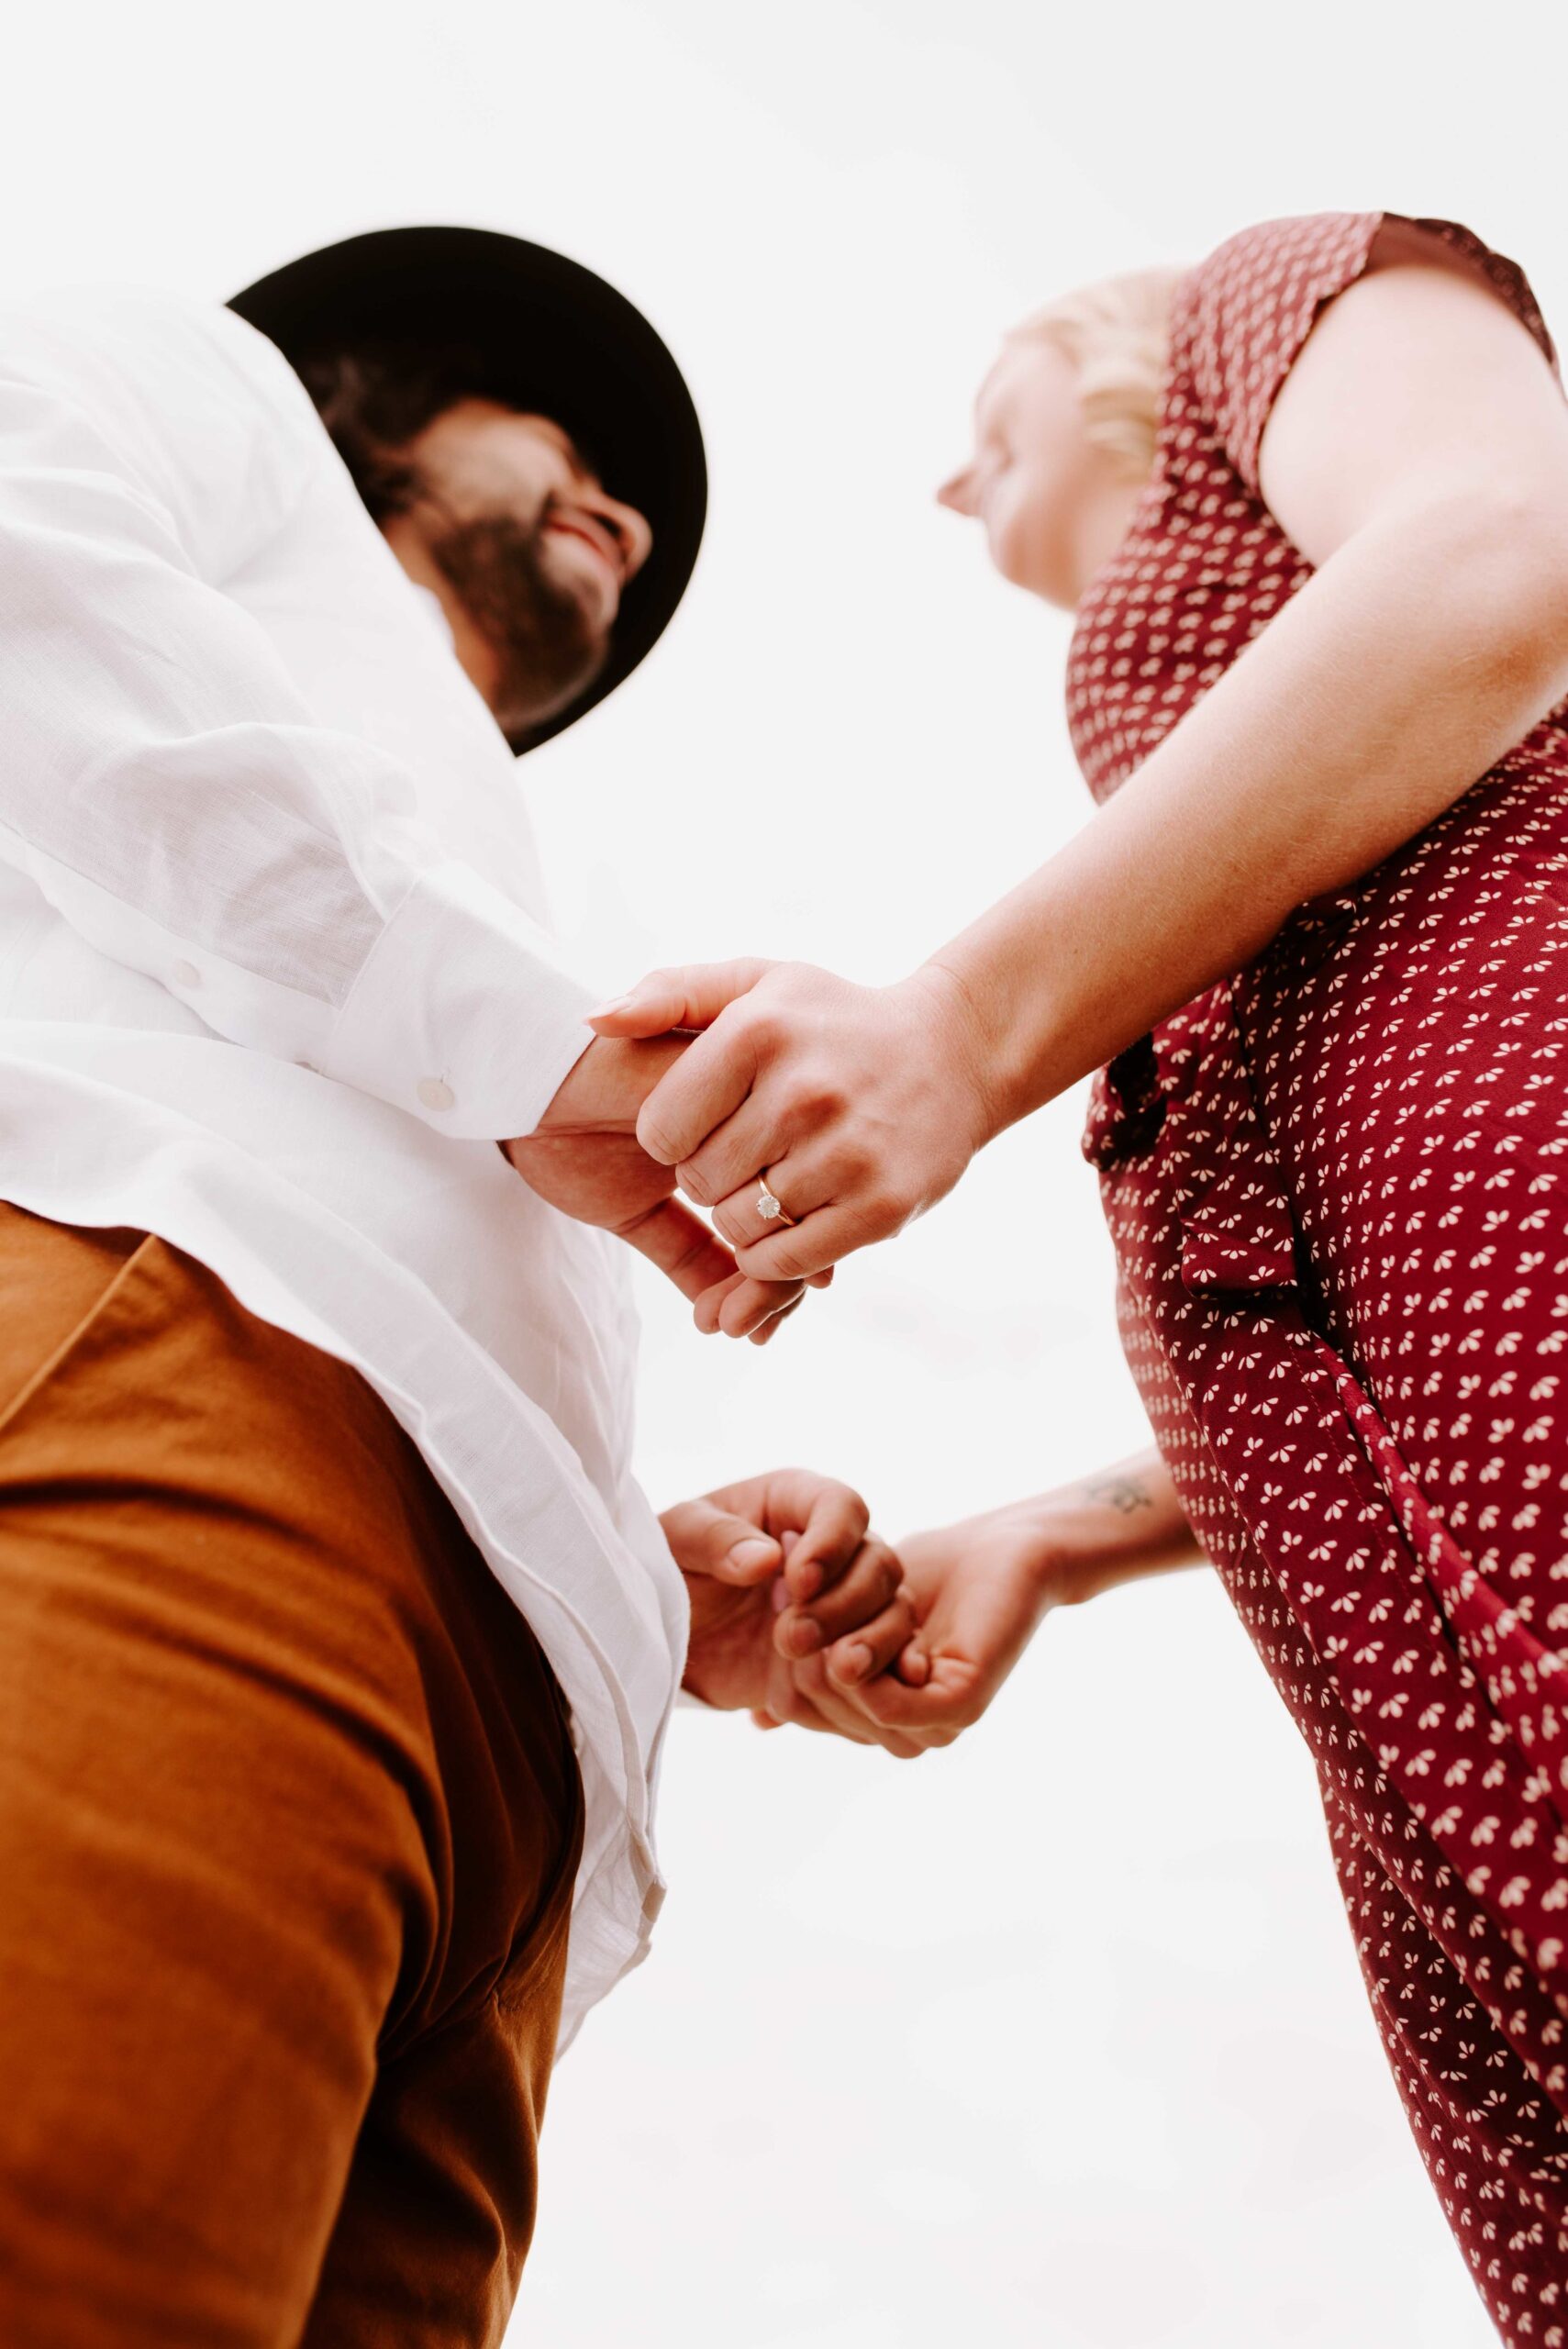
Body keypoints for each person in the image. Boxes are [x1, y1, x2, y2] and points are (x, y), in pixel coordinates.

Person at [594, 213, 1568, 2339]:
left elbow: (1508, 549)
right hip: (1387, 1624)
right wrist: (1074, 1525)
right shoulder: (1232, 789)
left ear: (1123, 355)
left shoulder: (1286, 287)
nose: (956, 486)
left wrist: (959, 1027)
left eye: (984, 417)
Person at [0, 223, 917, 2349]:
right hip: (176, 1348)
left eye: (646, 504)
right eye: (554, 430)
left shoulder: (467, 861)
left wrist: (633, 1568)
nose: (621, 503)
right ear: (361, 401)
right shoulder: (193, 390)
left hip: (501, 1800)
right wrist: (522, 1046)